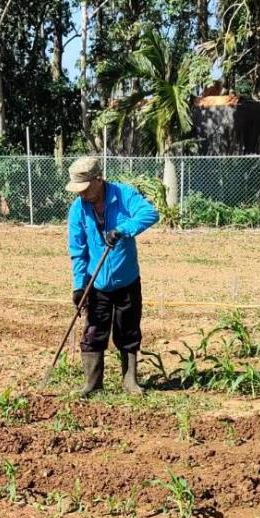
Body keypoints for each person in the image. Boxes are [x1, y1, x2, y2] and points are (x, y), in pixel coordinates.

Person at [65, 154, 159, 397]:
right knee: (93, 331)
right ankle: (92, 384)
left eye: (85, 189)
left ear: (99, 180)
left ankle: (130, 381)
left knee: (127, 330)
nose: (81, 194)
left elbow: (150, 213)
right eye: (78, 190)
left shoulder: (123, 195)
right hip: (96, 284)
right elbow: (78, 251)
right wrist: (79, 285)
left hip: (126, 280)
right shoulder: (78, 209)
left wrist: (122, 230)